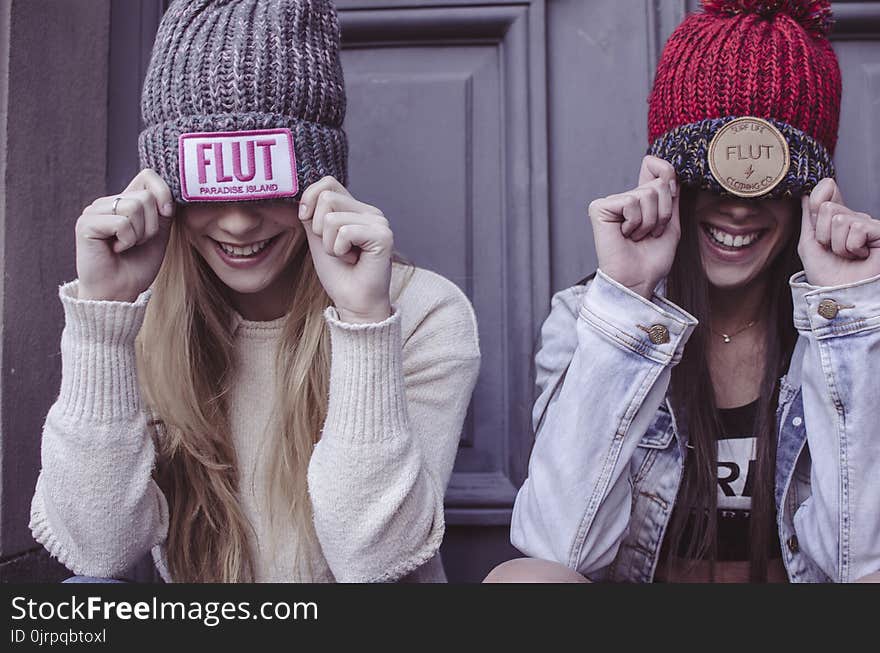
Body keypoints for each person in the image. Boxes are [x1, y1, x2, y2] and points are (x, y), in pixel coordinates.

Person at [30, 0, 480, 583]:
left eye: (266, 184)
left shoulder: (423, 313)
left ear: (317, 182)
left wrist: (365, 322)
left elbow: (375, 563)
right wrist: (104, 321)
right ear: (166, 192)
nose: (239, 222)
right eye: (211, 187)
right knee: (82, 598)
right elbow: (97, 551)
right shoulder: (142, 317)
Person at [488, 0, 880, 582]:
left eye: (766, 180)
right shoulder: (588, 317)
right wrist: (628, 296)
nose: (739, 205)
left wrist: (847, 318)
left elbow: (864, 563)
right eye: (709, 175)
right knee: (526, 583)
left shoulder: (858, 323)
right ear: (671, 182)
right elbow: (556, 548)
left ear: (803, 190)